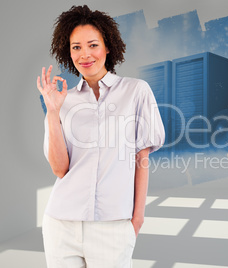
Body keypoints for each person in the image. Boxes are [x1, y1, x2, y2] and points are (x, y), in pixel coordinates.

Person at [36, 5, 165, 268]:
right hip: (61, 224)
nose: (85, 54)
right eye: (76, 47)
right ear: (67, 51)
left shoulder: (136, 91)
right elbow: (60, 169)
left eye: (92, 45)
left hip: (113, 226)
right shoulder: (63, 101)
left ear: (108, 47)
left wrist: (136, 218)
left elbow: (142, 158)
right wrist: (52, 112)